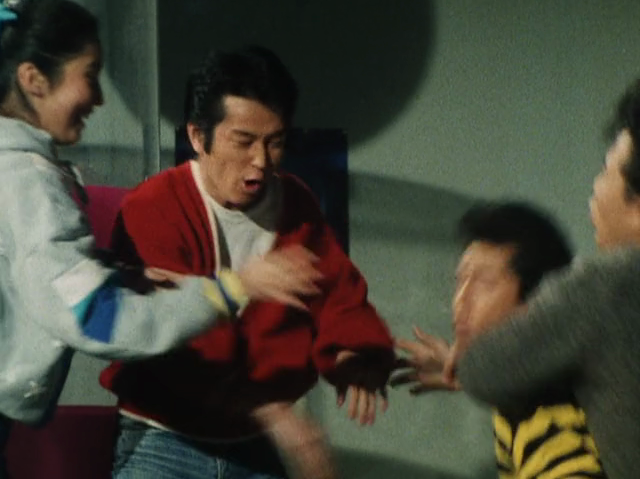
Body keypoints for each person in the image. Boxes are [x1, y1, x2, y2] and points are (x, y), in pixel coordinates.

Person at [0, 0, 319, 476]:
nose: (99, 98)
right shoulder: (25, 180)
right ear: (34, 79)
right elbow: (96, 317)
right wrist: (234, 288)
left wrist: (115, 274)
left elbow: (30, 272)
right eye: (90, 75)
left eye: (274, 142)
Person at [99, 45, 395, 479]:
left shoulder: (296, 203)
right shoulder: (153, 206)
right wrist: (273, 412)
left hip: (256, 444)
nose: (261, 161)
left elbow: (337, 293)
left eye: (276, 142)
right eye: (244, 141)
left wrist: (354, 354)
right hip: (163, 437)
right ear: (198, 137)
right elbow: (171, 338)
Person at [445, 78, 640, 479]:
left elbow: (485, 369)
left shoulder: (609, 286)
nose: (596, 189)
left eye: (607, 171)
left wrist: (476, 361)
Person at [393, 202, 607, 478]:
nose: (461, 301)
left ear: (538, 304)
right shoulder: (528, 386)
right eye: (460, 280)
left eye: (485, 283)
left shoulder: (551, 415)